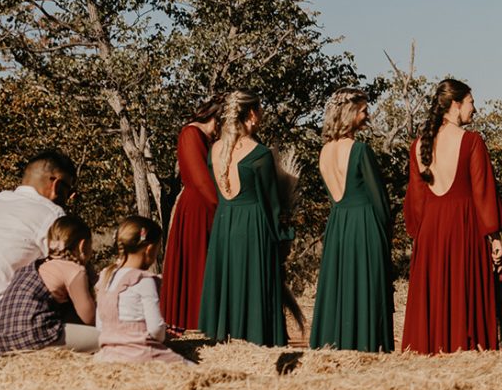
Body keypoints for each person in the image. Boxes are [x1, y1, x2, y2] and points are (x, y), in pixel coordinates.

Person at [402, 79, 502, 354]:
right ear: (456, 105)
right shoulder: (471, 141)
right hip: (464, 229)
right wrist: (494, 237)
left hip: (430, 233)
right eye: (471, 102)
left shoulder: (417, 146)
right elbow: (483, 193)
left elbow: (415, 202)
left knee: (434, 298)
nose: (475, 108)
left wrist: (422, 236)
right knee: (465, 297)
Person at [0, 149, 76, 353]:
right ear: (56, 184)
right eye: (69, 190)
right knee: (107, 343)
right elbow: (71, 277)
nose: (69, 198)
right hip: (0, 325)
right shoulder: (51, 213)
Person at [198, 91, 291, 346]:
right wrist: (283, 236)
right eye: (260, 110)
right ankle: (257, 337)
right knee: (253, 284)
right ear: (251, 114)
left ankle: (226, 335)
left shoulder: (214, 150)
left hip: (224, 223)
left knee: (230, 280)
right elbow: (271, 204)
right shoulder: (259, 154)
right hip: (253, 225)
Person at [310, 88, 396, 352]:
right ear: (349, 114)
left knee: (342, 283)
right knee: (366, 284)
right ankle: (367, 343)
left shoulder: (324, 152)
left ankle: (337, 341)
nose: (367, 114)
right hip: (364, 224)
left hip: (338, 224)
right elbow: (380, 200)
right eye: (363, 110)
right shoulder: (360, 151)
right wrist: (386, 233)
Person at [0, 215, 99, 354]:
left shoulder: (37, 265)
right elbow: (90, 318)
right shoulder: (73, 270)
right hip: (31, 335)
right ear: (82, 245)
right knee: (107, 340)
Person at [160, 95, 222, 334]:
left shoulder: (208, 139)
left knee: (205, 263)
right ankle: (190, 319)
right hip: (197, 207)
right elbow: (200, 179)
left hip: (207, 204)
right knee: (196, 260)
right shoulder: (191, 133)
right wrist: (222, 206)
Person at [97, 215, 188, 364]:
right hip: (141, 353)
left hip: (109, 355)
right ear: (150, 249)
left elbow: (100, 326)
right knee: (192, 368)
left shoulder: (105, 276)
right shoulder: (144, 280)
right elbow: (156, 331)